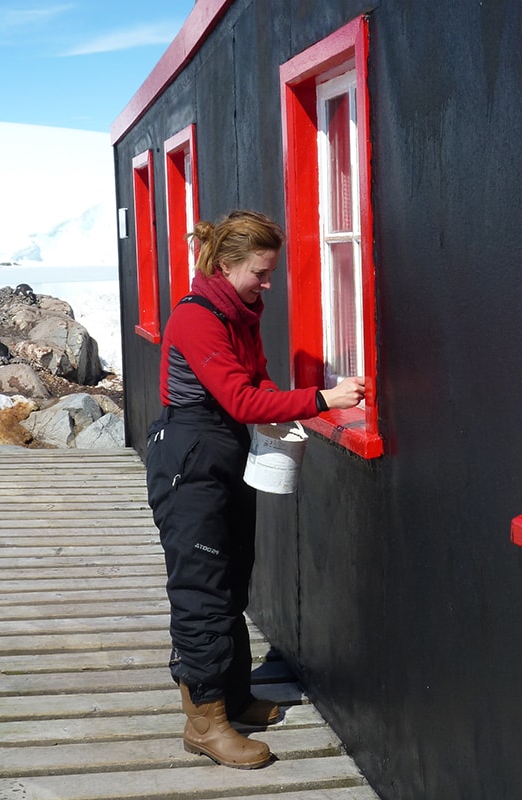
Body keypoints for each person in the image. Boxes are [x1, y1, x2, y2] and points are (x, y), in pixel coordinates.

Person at [145, 210, 365, 769]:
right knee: (201, 591)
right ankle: (205, 722)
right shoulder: (197, 319)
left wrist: (280, 409)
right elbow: (241, 401)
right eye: (260, 273)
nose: (268, 283)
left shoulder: (240, 313)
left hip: (224, 453)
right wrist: (321, 400)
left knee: (232, 574)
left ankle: (235, 695)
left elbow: (257, 382)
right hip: (189, 458)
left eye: (271, 273)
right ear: (225, 266)